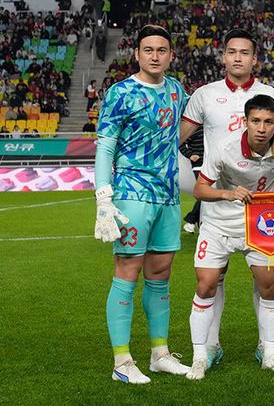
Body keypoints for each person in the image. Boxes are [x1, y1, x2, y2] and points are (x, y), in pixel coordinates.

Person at [93, 24, 190, 384]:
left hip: (167, 194)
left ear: (170, 55)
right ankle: (121, 361)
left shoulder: (177, 90)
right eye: (148, 49)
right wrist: (104, 196)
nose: (154, 55)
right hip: (131, 192)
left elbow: (178, 132)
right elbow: (105, 145)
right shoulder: (121, 93)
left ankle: (159, 354)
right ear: (136, 54)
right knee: (128, 271)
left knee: (161, 273)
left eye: (161, 50)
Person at [179, 28, 274, 366]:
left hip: (262, 206)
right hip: (220, 200)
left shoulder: (269, 93)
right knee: (212, 278)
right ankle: (210, 345)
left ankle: (268, 347)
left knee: (265, 279)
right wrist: (191, 162)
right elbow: (179, 135)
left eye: (245, 53)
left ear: (255, 59)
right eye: (232, 52)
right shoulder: (204, 94)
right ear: (223, 57)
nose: (238, 58)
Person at [186, 94, 274, 379]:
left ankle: (269, 353)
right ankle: (201, 355)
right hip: (219, 224)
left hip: (263, 223)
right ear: (245, 121)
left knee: (270, 286)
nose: (262, 128)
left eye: (269, 122)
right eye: (256, 121)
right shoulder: (225, 148)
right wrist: (227, 193)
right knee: (206, 285)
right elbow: (199, 190)